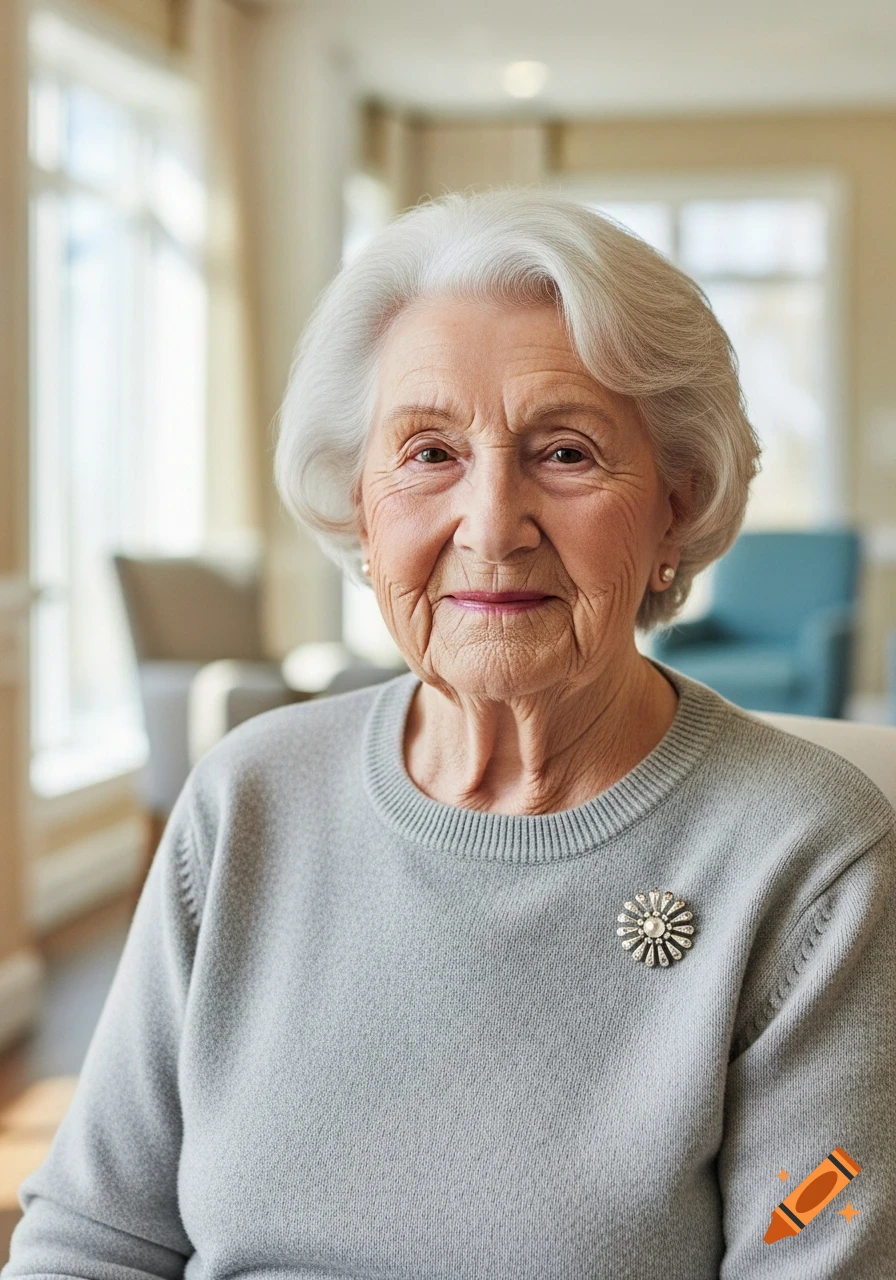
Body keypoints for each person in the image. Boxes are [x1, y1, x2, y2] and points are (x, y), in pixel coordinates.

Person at [4, 187, 894, 1280]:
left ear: (677, 500)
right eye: (429, 452)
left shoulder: (806, 852)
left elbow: (814, 1243)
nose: (490, 526)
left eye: (564, 452)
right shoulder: (248, 797)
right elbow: (93, 1238)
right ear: (359, 506)